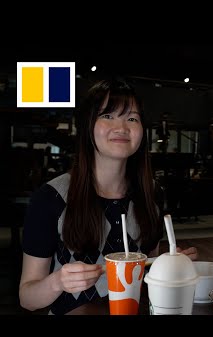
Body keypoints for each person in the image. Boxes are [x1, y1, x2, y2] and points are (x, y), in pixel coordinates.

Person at [19, 79, 198, 315]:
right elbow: (27, 298)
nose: (122, 127)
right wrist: (57, 281)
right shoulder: (51, 197)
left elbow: (148, 270)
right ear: (87, 126)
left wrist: (171, 264)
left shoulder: (151, 193)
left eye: (132, 118)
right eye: (108, 116)